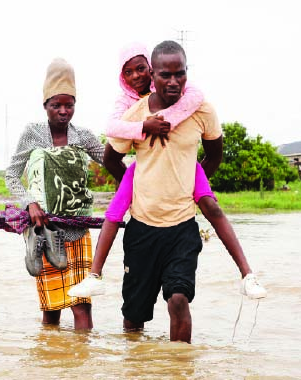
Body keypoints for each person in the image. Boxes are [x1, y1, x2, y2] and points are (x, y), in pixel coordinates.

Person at [69, 43, 266, 300]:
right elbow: (112, 129)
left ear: (150, 70)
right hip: (143, 172)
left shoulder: (188, 96)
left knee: (212, 207)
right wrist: (144, 126)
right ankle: (95, 276)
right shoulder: (126, 103)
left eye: (141, 69)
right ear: (124, 77)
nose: (136, 76)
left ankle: (247, 275)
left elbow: (194, 98)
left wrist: (186, 181)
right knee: (114, 213)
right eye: (128, 72)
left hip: (185, 167)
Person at [102, 41, 225, 342]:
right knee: (134, 314)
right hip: (142, 225)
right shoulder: (132, 110)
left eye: (179, 74)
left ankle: (179, 369)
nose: (173, 81)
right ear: (154, 75)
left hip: (182, 226)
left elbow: (215, 154)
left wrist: (190, 184)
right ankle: (137, 367)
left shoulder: (199, 106)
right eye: (165, 75)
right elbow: (110, 152)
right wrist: (135, 184)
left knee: (179, 299)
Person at [5, 58, 104, 330]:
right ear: (45, 106)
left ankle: (81, 366)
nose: (63, 111)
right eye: (56, 105)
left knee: (82, 303)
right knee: (51, 309)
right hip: (45, 233)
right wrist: (29, 203)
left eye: (68, 105)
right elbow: (12, 175)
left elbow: (113, 161)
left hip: (78, 229)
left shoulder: (83, 136)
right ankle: (51, 363)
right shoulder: (32, 134)